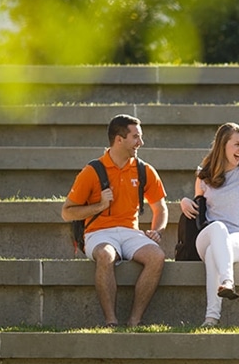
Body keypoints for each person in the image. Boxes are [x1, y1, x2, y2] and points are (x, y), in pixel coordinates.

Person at [61, 114, 168, 328]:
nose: (141, 142)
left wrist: (158, 229)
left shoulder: (144, 170)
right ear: (119, 139)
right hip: (99, 233)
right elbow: (67, 212)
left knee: (157, 256)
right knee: (105, 254)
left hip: (130, 232)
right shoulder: (92, 171)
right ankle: (111, 321)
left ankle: (134, 321)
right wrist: (99, 206)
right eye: (136, 137)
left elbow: (160, 207)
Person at [180, 122, 239, 327]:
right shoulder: (204, 175)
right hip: (209, 235)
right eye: (236, 144)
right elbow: (198, 205)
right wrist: (185, 201)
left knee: (213, 253)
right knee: (217, 229)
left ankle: (211, 318)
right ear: (222, 145)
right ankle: (228, 281)